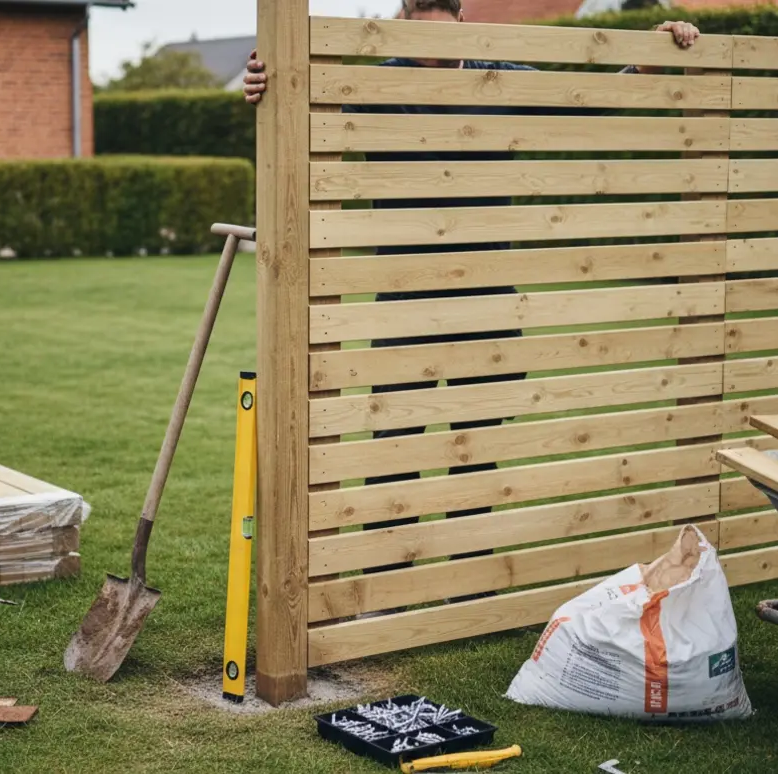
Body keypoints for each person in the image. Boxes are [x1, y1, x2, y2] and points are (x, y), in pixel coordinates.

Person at [245, 1, 703, 601]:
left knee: (478, 445)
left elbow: (582, 101)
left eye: (441, 44)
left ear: (461, 21)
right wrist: (263, 85)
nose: (432, 60)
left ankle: (469, 585)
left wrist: (649, 58)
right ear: (404, 22)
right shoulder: (376, 83)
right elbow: (300, 116)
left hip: (490, 295)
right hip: (402, 299)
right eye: (420, 45)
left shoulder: (500, 78)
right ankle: (387, 577)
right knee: (395, 444)